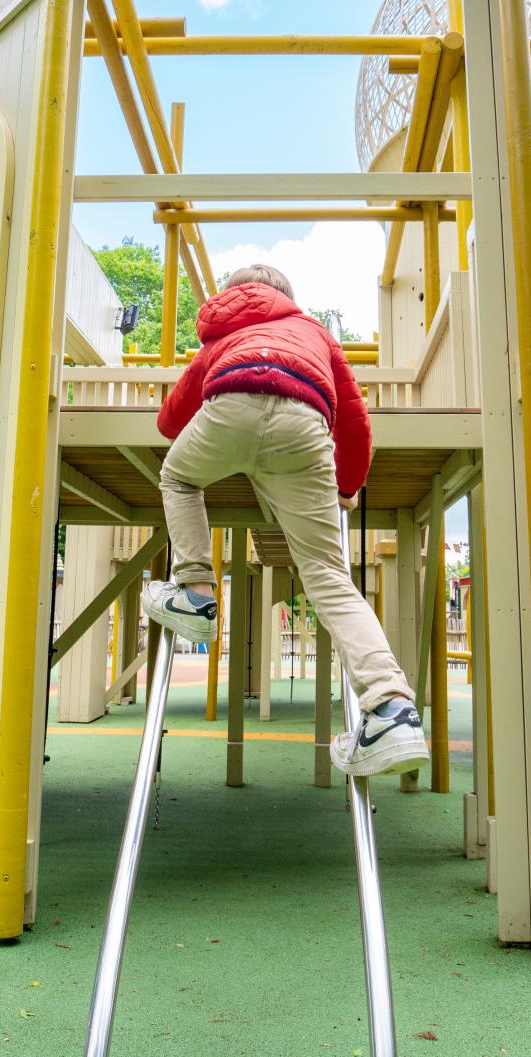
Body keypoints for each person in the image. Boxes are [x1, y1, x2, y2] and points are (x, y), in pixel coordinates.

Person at [141, 265, 428, 778]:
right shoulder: (315, 331)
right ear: (288, 299)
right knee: (327, 574)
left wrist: (215, 427)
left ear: (233, 297)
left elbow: (170, 420)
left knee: (178, 479)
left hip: (229, 402)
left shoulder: (225, 335)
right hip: (305, 420)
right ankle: (391, 707)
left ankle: (196, 592)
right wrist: (345, 487)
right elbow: (357, 423)